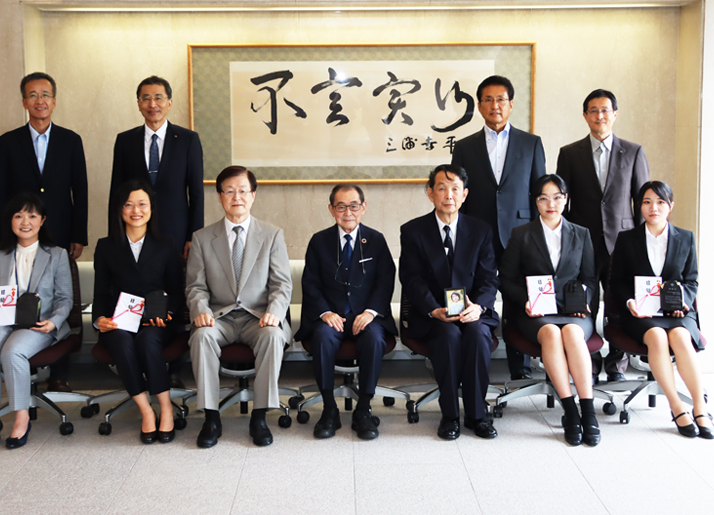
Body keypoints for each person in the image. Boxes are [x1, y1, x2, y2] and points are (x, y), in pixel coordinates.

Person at [0, 72, 88, 392]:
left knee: (61, 300)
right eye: (32, 95)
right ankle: (19, 368)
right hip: (19, 235)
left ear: (55, 100)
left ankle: (59, 374)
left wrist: (79, 235)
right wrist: (2, 240)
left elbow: (81, 191)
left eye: (45, 94)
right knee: (21, 292)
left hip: (59, 232)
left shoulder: (71, 140)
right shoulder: (8, 142)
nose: (40, 100)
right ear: (24, 102)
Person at [187, 166, 292, 448]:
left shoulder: (271, 235)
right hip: (218, 318)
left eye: (243, 191)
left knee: (273, 336)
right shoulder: (202, 238)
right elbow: (195, 286)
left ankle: (259, 416)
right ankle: (211, 416)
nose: (237, 197)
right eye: (230, 191)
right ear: (220, 196)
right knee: (201, 337)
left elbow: (282, 283)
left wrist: (275, 312)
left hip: (258, 318)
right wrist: (201, 311)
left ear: (253, 195)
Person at [452, 74, 545, 380]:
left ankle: (521, 367)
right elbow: (458, 194)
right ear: (479, 106)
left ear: (511, 104)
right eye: (488, 100)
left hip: (520, 234)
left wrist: (536, 235)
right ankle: (474, 360)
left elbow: (538, 192)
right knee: (477, 294)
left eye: (501, 99)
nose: (495, 105)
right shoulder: (464, 147)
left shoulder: (531, 143)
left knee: (518, 298)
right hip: (477, 235)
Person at [399, 164, 499, 440]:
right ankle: (450, 415)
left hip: (473, 311)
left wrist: (478, 306)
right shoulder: (413, 231)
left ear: (465, 194)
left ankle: (478, 415)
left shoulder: (480, 230)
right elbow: (411, 279)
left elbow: (489, 278)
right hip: (434, 315)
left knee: (478, 335)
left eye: (455, 189)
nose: (449, 195)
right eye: (442, 188)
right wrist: (433, 309)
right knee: (448, 335)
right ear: (430, 193)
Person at [498, 174, 600, 446]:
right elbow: (506, 278)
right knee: (553, 334)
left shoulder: (582, 233)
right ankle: (570, 410)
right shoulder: (522, 235)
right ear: (536, 202)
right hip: (536, 312)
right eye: (544, 198)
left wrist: (585, 301)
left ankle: (587, 411)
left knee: (572, 335)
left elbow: (590, 278)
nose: (550, 203)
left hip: (574, 311)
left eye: (557, 197)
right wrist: (525, 301)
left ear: (565, 200)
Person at [556, 89, 649, 383]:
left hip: (622, 243)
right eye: (593, 111)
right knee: (583, 304)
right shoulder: (569, 153)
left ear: (615, 114)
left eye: (605, 110)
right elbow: (561, 201)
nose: (600, 116)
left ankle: (617, 365)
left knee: (619, 303)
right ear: (585, 116)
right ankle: (590, 362)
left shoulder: (633, 152)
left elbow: (643, 200)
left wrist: (639, 242)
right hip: (583, 243)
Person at [609, 181, 714, 439]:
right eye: (646, 202)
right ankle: (677, 406)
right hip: (642, 314)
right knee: (657, 337)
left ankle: (700, 407)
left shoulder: (685, 237)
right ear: (639, 207)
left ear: (670, 206)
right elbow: (617, 281)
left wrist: (683, 301)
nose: (653, 208)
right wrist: (629, 302)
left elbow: (692, 280)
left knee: (680, 337)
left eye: (660, 202)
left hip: (677, 312)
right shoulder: (627, 239)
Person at [295, 184, 396, 440]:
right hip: (332, 316)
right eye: (341, 206)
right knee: (322, 337)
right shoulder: (319, 241)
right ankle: (329, 409)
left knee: (374, 338)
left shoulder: (376, 239)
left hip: (366, 316)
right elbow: (310, 282)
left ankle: (364, 409)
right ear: (331, 209)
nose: (347, 212)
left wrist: (371, 312)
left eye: (353, 206)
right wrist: (325, 313)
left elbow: (386, 280)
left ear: (363, 208)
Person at [0, 193, 73, 450]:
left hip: (39, 323)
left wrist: (54, 322)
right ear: (10, 221)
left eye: (32, 215)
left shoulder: (57, 254)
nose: (25, 221)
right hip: (2, 320)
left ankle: (22, 418)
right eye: (18, 216)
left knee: (13, 352)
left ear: (42, 221)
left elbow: (65, 299)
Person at [92, 180, 186, 444]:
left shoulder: (166, 244)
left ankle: (165, 408)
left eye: (142, 203)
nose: (136, 210)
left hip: (158, 320)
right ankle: (146, 410)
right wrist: (99, 320)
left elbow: (177, 292)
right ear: (119, 210)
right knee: (121, 340)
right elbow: (100, 293)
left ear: (152, 209)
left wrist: (167, 313)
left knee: (148, 340)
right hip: (119, 321)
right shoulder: (106, 246)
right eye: (129, 204)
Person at [109, 75, 204, 259]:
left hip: (176, 232)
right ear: (138, 104)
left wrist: (194, 236)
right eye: (146, 98)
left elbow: (196, 194)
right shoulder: (125, 141)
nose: (152, 104)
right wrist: (115, 235)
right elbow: (116, 193)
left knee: (174, 285)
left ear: (169, 102)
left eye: (158, 98)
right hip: (135, 232)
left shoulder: (188, 140)